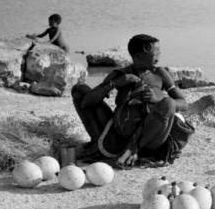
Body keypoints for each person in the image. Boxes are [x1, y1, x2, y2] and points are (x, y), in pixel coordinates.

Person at [71, 34, 194, 168]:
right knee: (80, 89)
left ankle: (134, 149)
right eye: (156, 52)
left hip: (150, 137)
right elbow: (86, 103)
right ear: (138, 56)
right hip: (118, 133)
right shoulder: (120, 74)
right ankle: (98, 142)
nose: (159, 54)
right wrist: (113, 84)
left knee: (169, 103)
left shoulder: (160, 74)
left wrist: (158, 98)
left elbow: (183, 103)